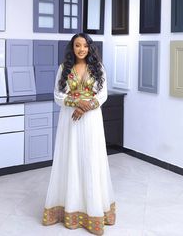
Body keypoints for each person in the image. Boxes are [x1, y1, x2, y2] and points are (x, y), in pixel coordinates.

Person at [42, 33, 115, 235]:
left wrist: (85, 106)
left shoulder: (98, 68)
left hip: (91, 120)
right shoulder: (63, 68)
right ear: (72, 48)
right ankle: (70, 207)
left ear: (89, 48)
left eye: (84, 45)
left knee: (90, 159)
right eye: (77, 45)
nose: (81, 49)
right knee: (71, 159)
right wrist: (76, 102)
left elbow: (103, 94)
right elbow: (57, 95)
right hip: (69, 121)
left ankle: (93, 209)